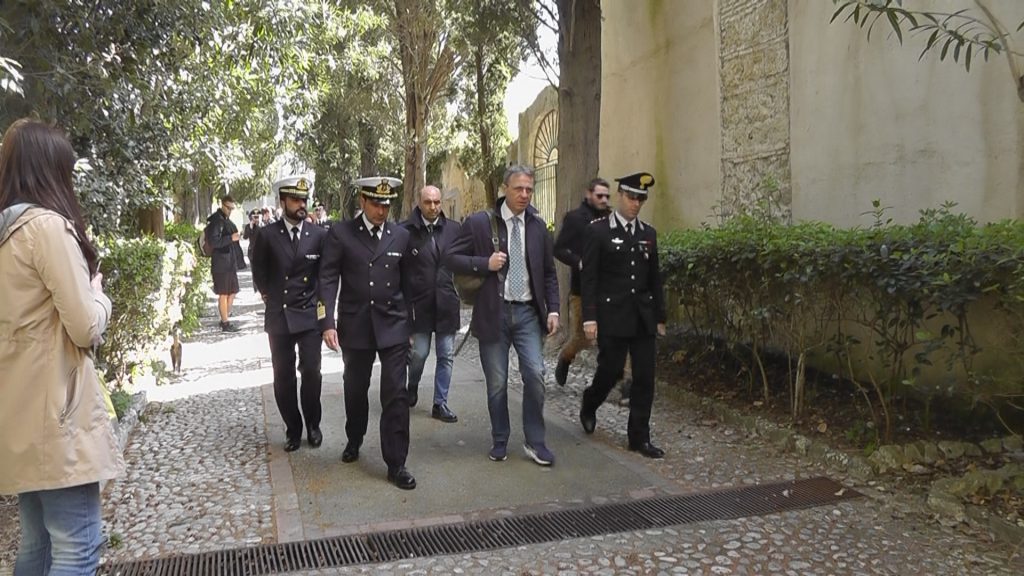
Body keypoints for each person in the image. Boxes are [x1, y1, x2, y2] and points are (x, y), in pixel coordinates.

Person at [0, 119, 125, 574]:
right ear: (51, 171)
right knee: (79, 547)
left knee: (37, 547)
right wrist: (99, 295)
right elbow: (85, 326)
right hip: (58, 416)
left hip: (17, 415)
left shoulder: (6, 232)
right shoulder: (46, 229)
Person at [445, 165, 560, 466]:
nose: (524, 194)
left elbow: (549, 273)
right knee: (497, 382)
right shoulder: (480, 224)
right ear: (505, 190)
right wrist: (484, 263)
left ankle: (535, 441)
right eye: (518, 188)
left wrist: (554, 309)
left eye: (529, 190)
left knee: (535, 374)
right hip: (493, 313)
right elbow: (450, 257)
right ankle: (500, 439)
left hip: (527, 314)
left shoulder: (537, 225)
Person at [318, 176, 417, 490]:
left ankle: (396, 462)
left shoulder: (401, 236)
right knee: (355, 388)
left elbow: (409, 284)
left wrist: (411, 327)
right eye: (376, 203)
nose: (382, 210)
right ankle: (355, 436)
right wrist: (328, 322)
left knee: (395, 394)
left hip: (393, 326)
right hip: (356, 324)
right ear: (362, 201)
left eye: (387, 204)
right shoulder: (341, 234)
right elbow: (328, 279)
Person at [579, 172, 667, 459]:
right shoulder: (597, 231)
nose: (636, 204)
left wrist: (660, 317)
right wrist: (589, 318)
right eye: (631, 197)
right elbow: (589, 279)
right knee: (611, 371)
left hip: (642, 317)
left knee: (644, 377)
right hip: (612, 316)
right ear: (619, 195)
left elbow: (655, 279)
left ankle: (639, 437)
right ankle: (590, 402)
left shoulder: (648, 233)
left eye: (641, 199)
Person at [252, 176, 327, 453]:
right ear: (282, 202)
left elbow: (324, 276)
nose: (301, 205)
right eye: (295, 200)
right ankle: (293, 429)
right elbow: (258, 269)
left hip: (308, 314)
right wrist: (267, 293)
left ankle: (313, 424)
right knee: (283, 376)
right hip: (280, 316)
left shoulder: (318, 235)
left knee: (312, 373)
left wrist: (323, 311)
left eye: (304, 200)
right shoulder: (268, 235)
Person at [400, 185, 461, 423]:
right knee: (419, 353)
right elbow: (399, 275)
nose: (433, 207)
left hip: (447, 302)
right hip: (419, 305)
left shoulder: (454, 230)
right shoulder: (405, 232)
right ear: (419, 202)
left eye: (437, 202)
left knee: (446, 355)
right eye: (428, 202)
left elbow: (465, 262)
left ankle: (440, 403)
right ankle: (412, 385)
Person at [553, 177, 612, 387]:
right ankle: (565, 357)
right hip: (581, 290)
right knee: (582, 337)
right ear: (589, 195)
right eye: (599, 196)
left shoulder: (612, 219)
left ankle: (624, 382)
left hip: (609, 288)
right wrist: (578, 262)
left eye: (607, 196)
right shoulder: (575, 219)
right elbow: (558, 248)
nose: (604, 200)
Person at [205, 194, 243, 332]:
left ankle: (225, 317)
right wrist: (230, 238)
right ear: (222, 205)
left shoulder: (225, 219)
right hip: (221, 263)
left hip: (228, 262)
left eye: (232, 208)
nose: (230, 211)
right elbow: (214, 242)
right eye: (228, 208)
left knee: (232, 291)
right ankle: (225, 322)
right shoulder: (216, 221)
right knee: (223, 293)